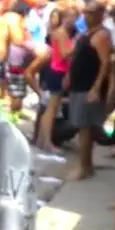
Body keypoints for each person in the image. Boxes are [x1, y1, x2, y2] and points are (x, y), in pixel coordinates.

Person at [63, 1, 113, 180]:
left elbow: (106, 63)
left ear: (100, 14)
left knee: (85, 128)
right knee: (83, 126)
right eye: (85, 12)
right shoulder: (86, 34)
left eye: (90, 13)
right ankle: (87, 165)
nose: (86, 16)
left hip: (88, 86)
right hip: (79, 85)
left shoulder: (101, 36)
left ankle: (84, 167)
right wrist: (68, 74)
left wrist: (96, 87)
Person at [30, 9, 76, 151]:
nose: (72, 21)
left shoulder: (62, 33)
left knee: (51, 108)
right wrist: (77, 46)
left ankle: (42, 140)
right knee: (51, 109)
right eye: (70, 17)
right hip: (57, 71)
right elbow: (64, 54)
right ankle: (47, 141)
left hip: (59, 71)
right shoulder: (61, 33)